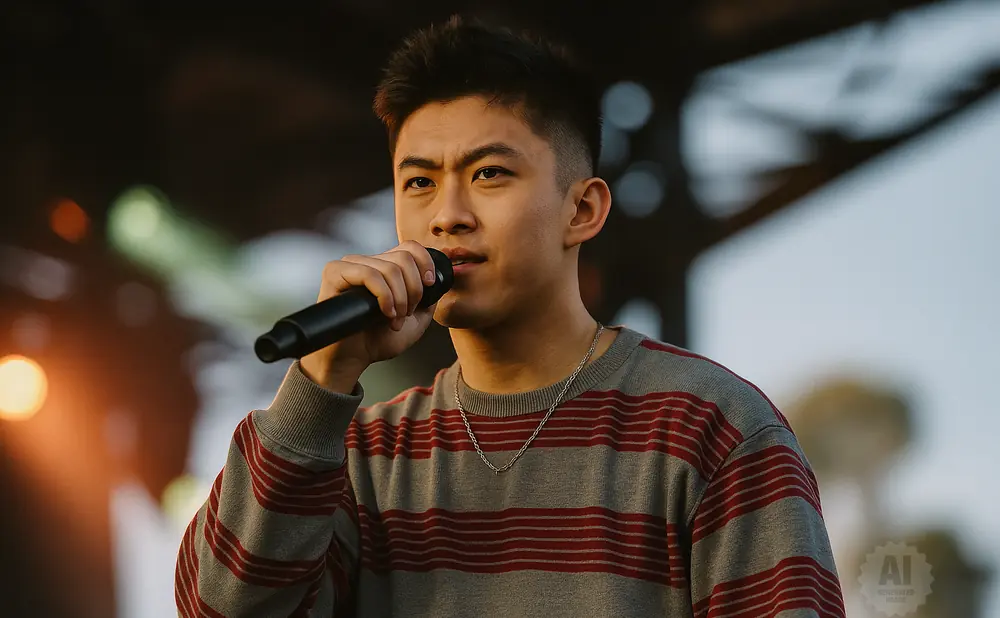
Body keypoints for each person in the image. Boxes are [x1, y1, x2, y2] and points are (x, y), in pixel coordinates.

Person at [175, 15, 846, 618]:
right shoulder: (362, 457)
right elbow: (220, 608)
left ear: (582, 210)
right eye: (418, 182)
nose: (448, 214)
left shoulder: (711, 426)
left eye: (490, 174)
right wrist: (317, 387)